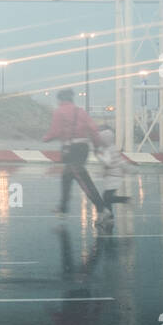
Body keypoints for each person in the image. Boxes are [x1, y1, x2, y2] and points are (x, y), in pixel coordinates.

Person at [43, 88, 111, 230]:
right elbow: (93, 129)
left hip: (70, 150)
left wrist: (46, 138)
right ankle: (63, 207)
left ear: (60, 99)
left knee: (82, 179)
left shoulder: (59, 111)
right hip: (83, 148)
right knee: (66, 177)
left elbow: (55, 131)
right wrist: (97, 145)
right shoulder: (81, 111)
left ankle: (102, 209)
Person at [94, 124, 129, 215]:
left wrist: (99, 156)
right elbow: (120, 162)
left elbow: (107, 163)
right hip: (115, 177)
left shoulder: (107, 150)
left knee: (107, 197)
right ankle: (109, 216)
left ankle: (125, 200)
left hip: (113, 177)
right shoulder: (112, 148)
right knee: (107, 198)